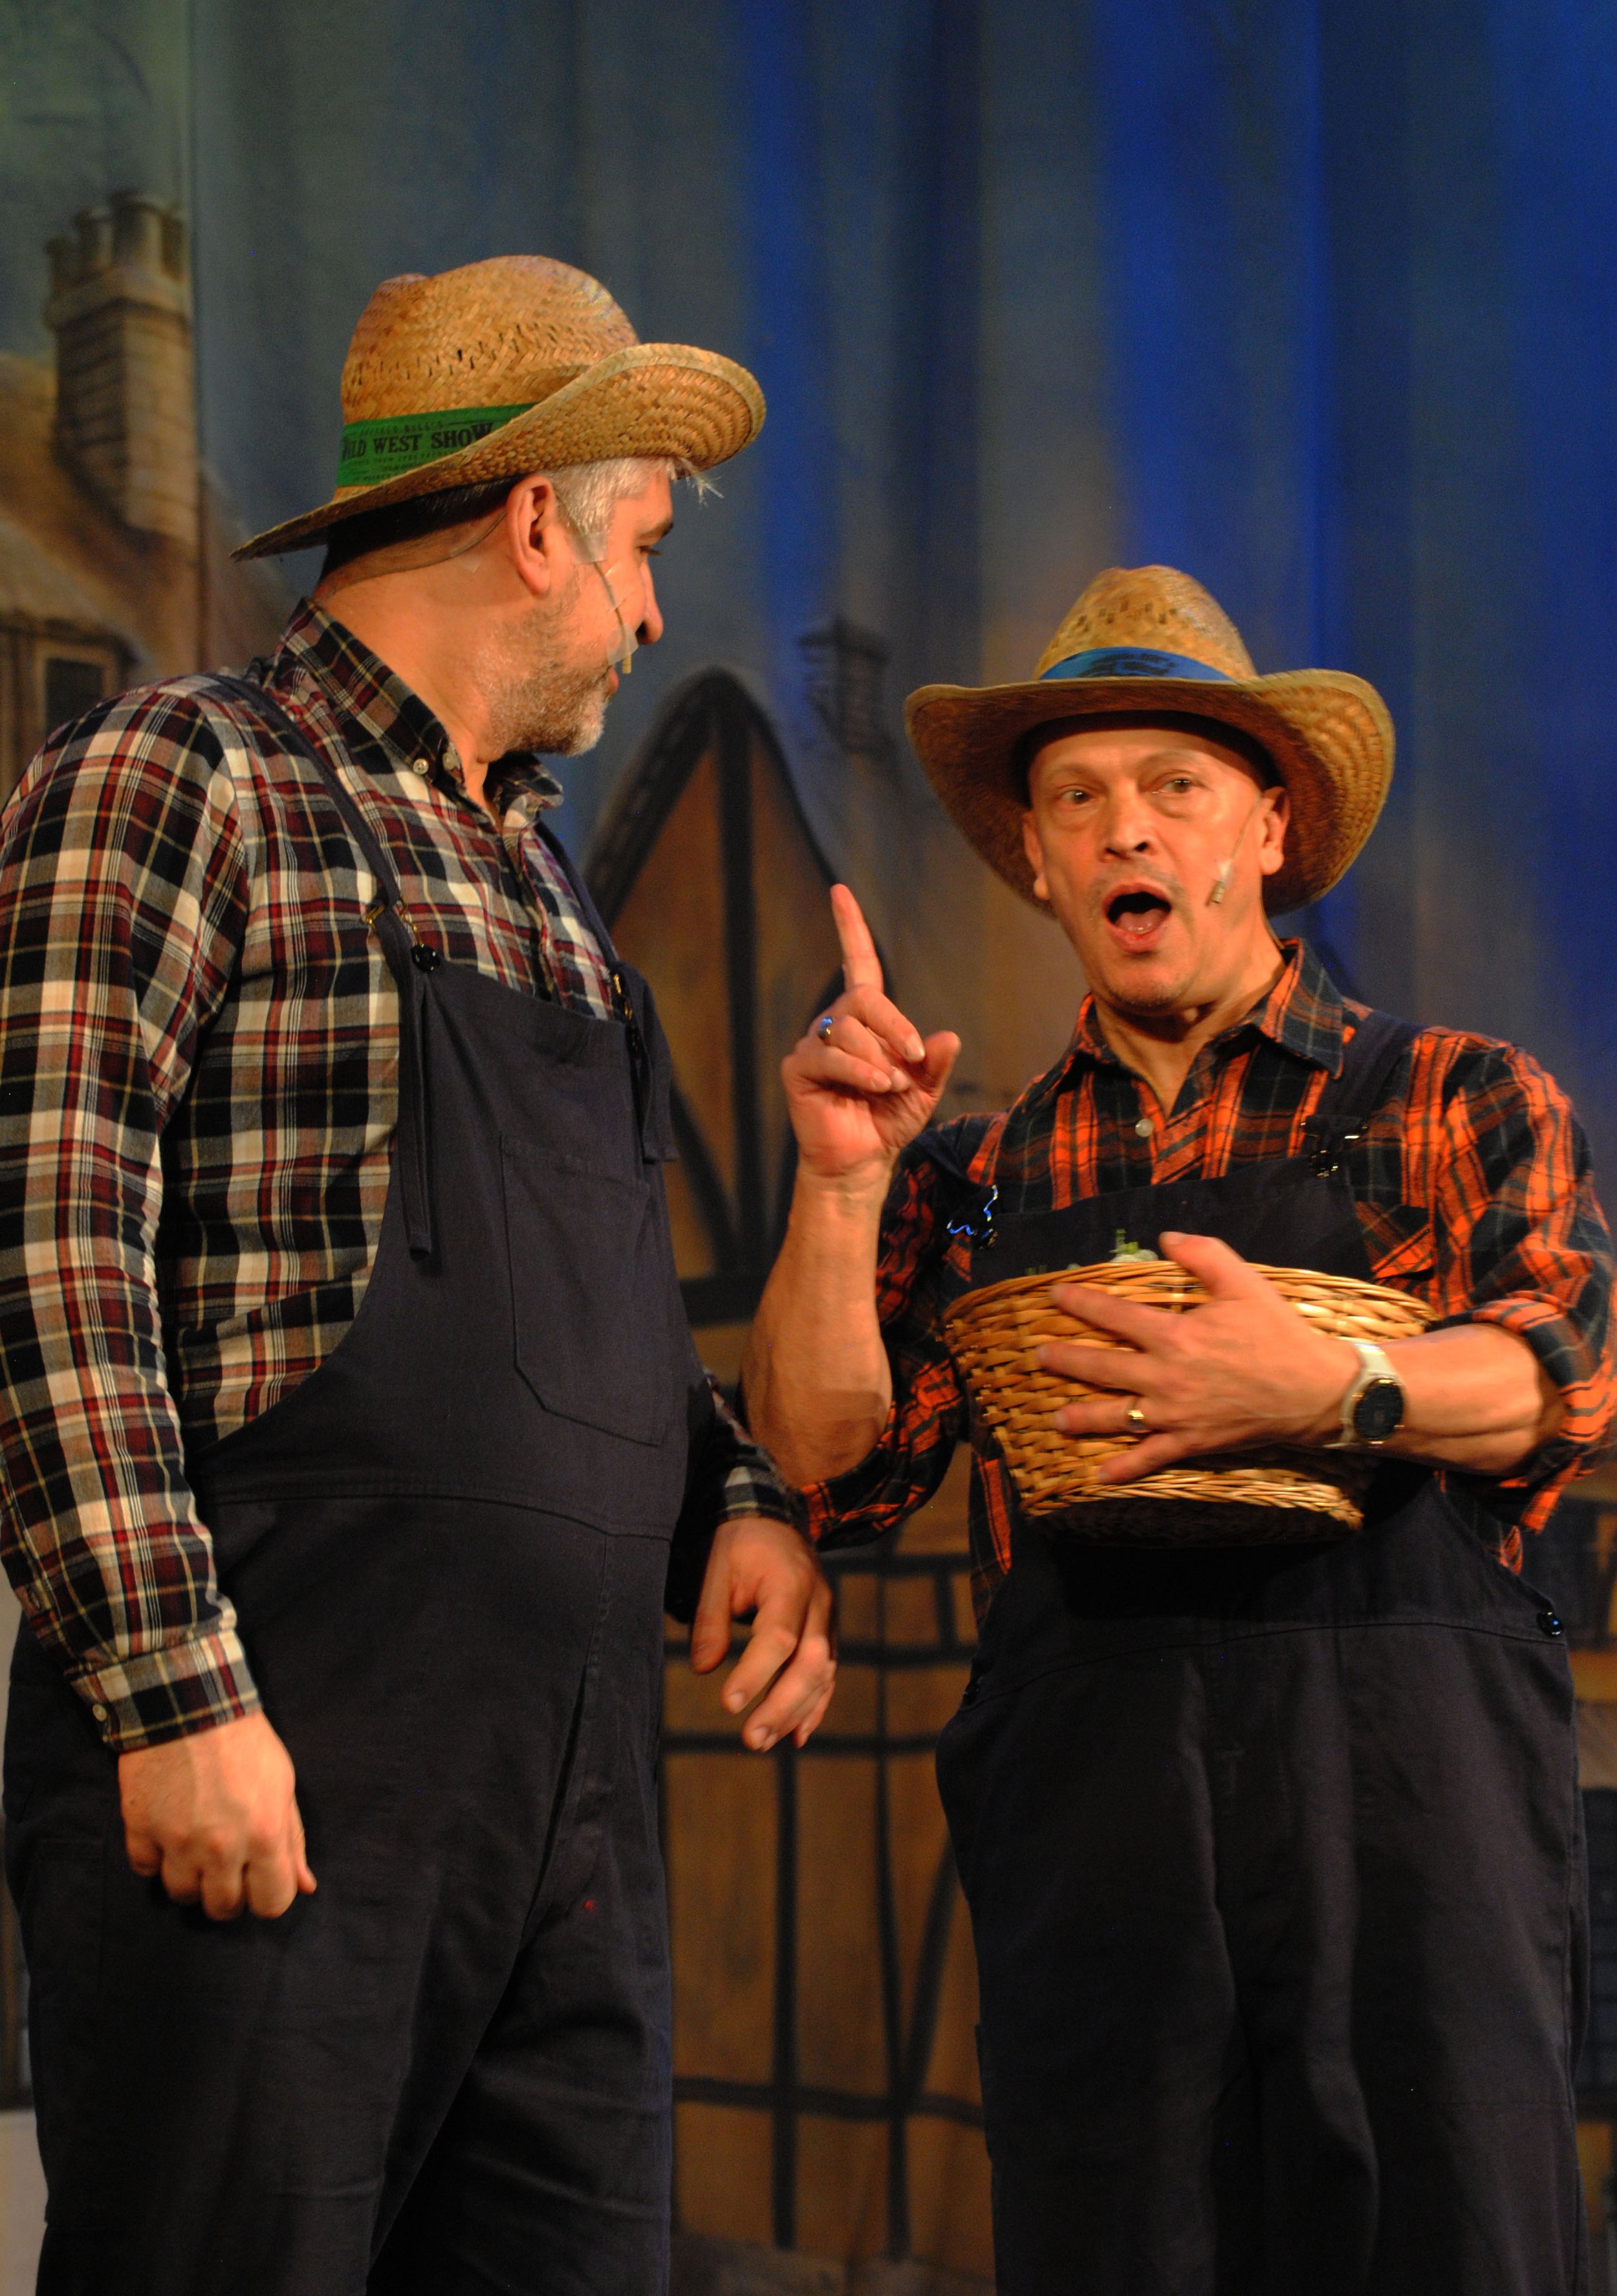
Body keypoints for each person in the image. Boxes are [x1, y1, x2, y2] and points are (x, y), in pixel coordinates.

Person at [0, 253, 834, 2295]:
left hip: (566, 1809)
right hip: (285, 1748)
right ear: (534, 522)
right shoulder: (184, 775)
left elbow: (585, 1324)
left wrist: (714, 1500)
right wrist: (172, 1694)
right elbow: (43, 1241)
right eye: (639, 551)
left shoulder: (545, 889)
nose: (651, 616)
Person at [743, 563, 1616, 2295]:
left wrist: (1331, 1390)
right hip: (1104, 1817)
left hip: (1403, 1806)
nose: (1120, 829)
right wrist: (841, 1192)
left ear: (1268, 829)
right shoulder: (975, 1173)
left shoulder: (1453, 1096)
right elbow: (832, 1462)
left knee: (1449, 2237)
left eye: (1172, 789)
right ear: (1042, 863)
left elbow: (1563, 1367)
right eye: (1077, 799)